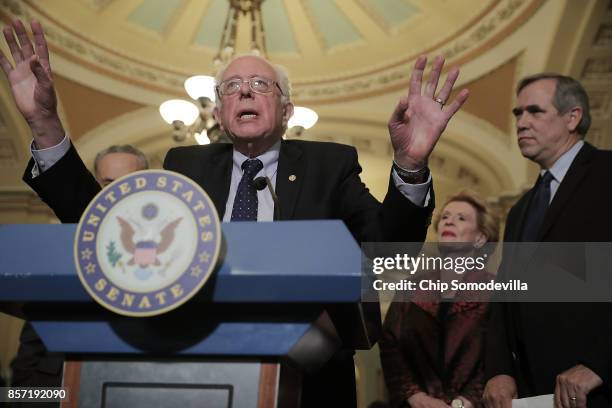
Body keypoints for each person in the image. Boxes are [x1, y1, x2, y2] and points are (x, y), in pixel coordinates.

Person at [0, 19, 469, 407]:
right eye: (231, 87)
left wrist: (410, 164)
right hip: (190, 370)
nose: (244, 92)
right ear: (220, 112)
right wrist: (45, 126)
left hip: (309, 376)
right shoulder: (185, 166)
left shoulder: (330, 165)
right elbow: (99, 222)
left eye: (260, 85)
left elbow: (387, 247)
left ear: (286, 110)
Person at [482, 74, 612, 408]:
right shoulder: (521, 210)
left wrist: (600, 364)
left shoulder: (606, 174)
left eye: (535, 111)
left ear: (573, 117)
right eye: (518, 114)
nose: (521, 123)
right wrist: (499, 370)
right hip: (532, 395)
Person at [380, 191, 500, 408]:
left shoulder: (495, 290)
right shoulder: (410, 287)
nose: (449, 221)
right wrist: (416, 397)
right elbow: (390, 344)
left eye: (461, 218)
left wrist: (465, 402)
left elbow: (499, 354)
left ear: (481, 238)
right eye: (445, 217)